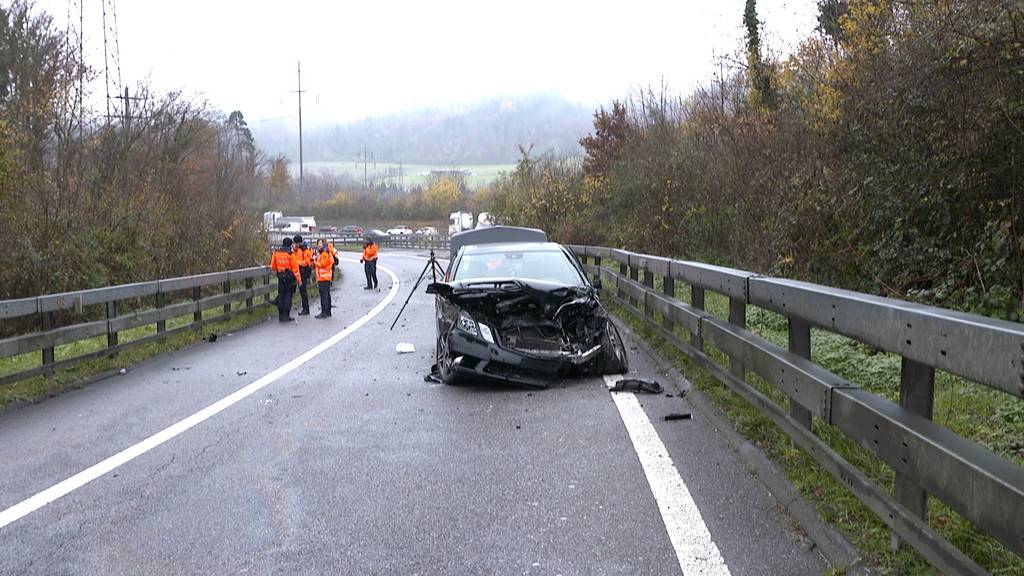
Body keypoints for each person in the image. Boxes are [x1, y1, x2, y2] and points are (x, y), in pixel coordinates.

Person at [269, 237, 301, 322]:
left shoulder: (276, 253)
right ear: (290, 244)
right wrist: (299, 280)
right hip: (289, 278)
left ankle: (280, 316)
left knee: (281, 295)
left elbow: (273, 266)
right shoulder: (291, 254)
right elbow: (295, 269)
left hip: (280, 277)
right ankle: (286, 315)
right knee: (288, 296)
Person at [314, 239, 335, 318]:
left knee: (324, 295)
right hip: (323, 278)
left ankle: (324, 312)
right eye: (318, 243)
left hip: (324, 278)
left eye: (320, 243)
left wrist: (315, 261)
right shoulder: (322, 253)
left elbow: (322, 264)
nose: (319, 245)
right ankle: (328, 311)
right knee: (326, 294)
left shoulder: (324, 254)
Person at [292, 235, 312, 315]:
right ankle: (305, 308)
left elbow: (307, 261)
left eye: (295, 243)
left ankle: (306, 309)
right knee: (301, 291)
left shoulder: (304, 250)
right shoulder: (296, 249)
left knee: (303, 291)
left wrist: (298, 263)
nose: (294, 245)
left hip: (303, 272)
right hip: (298, 272)